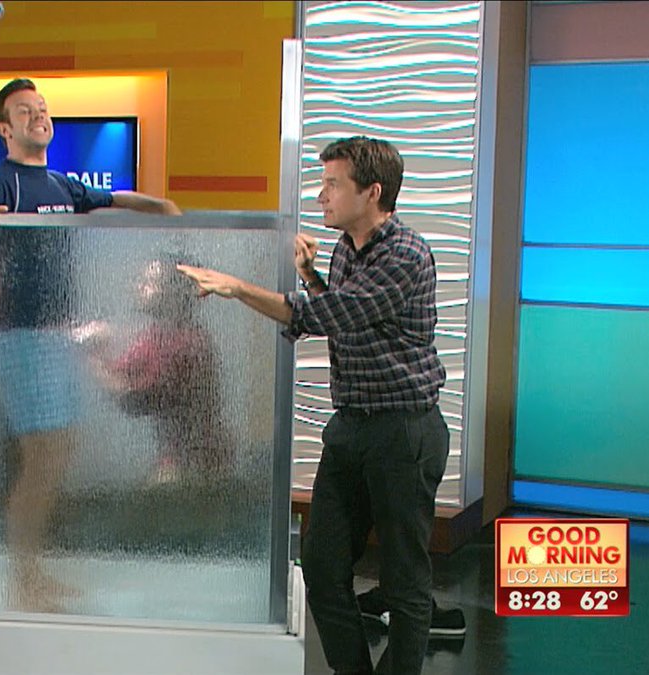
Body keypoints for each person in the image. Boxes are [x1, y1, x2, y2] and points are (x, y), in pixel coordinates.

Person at [177, 136, 450, 675]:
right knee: (322, 569)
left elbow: (328, 316)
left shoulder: (405, 254)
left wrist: (238, 288)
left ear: (372, 193)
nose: (321, 195)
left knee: (404, 582)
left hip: (403, 431)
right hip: (351, 426)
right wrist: (310, 277)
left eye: (332, 184)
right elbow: (348, 319)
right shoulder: (347, 249)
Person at [0, 78, 181, 612]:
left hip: (55, 337)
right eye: (24, 111)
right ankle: (22, 582)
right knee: (41, 460)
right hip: (22, 338)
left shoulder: (61, 183)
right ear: (4, 129)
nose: (39, 116)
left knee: (55, 458)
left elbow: (114, 198)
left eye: (42, 108)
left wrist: (163, 207)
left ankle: (32, 573)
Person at [88, 253, 233, 483]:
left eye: (149, 283)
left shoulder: (186, 343)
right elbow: (121, 372)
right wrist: (99, 344)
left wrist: (92, 356)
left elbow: (133, 400)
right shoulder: (156, 335)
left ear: (172, 293)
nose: (138, 287)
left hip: (195, 462)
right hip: (175, 457)